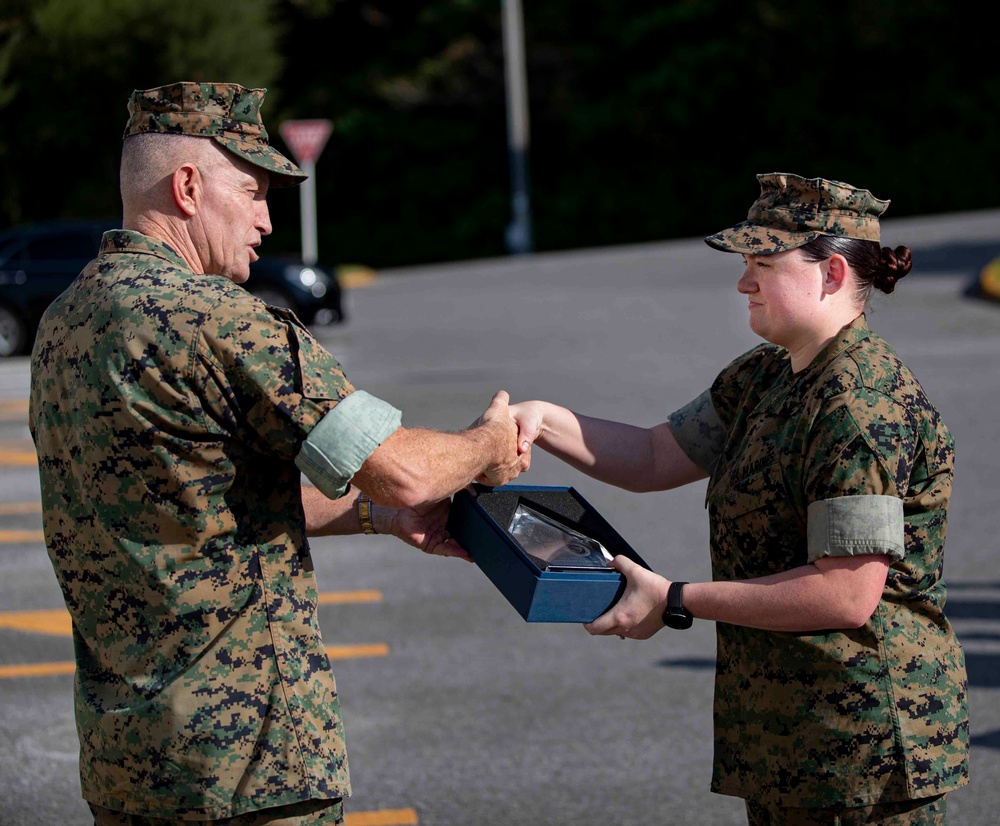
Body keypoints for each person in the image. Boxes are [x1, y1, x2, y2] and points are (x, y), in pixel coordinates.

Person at [28, 81, 528, 826]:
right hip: (250, 769)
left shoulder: (65, 323)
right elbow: (405, 468)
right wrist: (487, 443)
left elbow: (196, 501)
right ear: (189, 186)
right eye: (253, 191)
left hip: (128, 765)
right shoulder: (217, 319)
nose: (265, 220)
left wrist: (381, 520)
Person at [510, 173, 969, 824]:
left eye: (763, 264)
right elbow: (652, 455)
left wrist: (672, 599)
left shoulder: (859, 406)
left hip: (860, 750)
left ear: (832, 273)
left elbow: (845, 594)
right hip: (793, 742)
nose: (743, 283)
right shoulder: (766, 375)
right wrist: (541, 419)